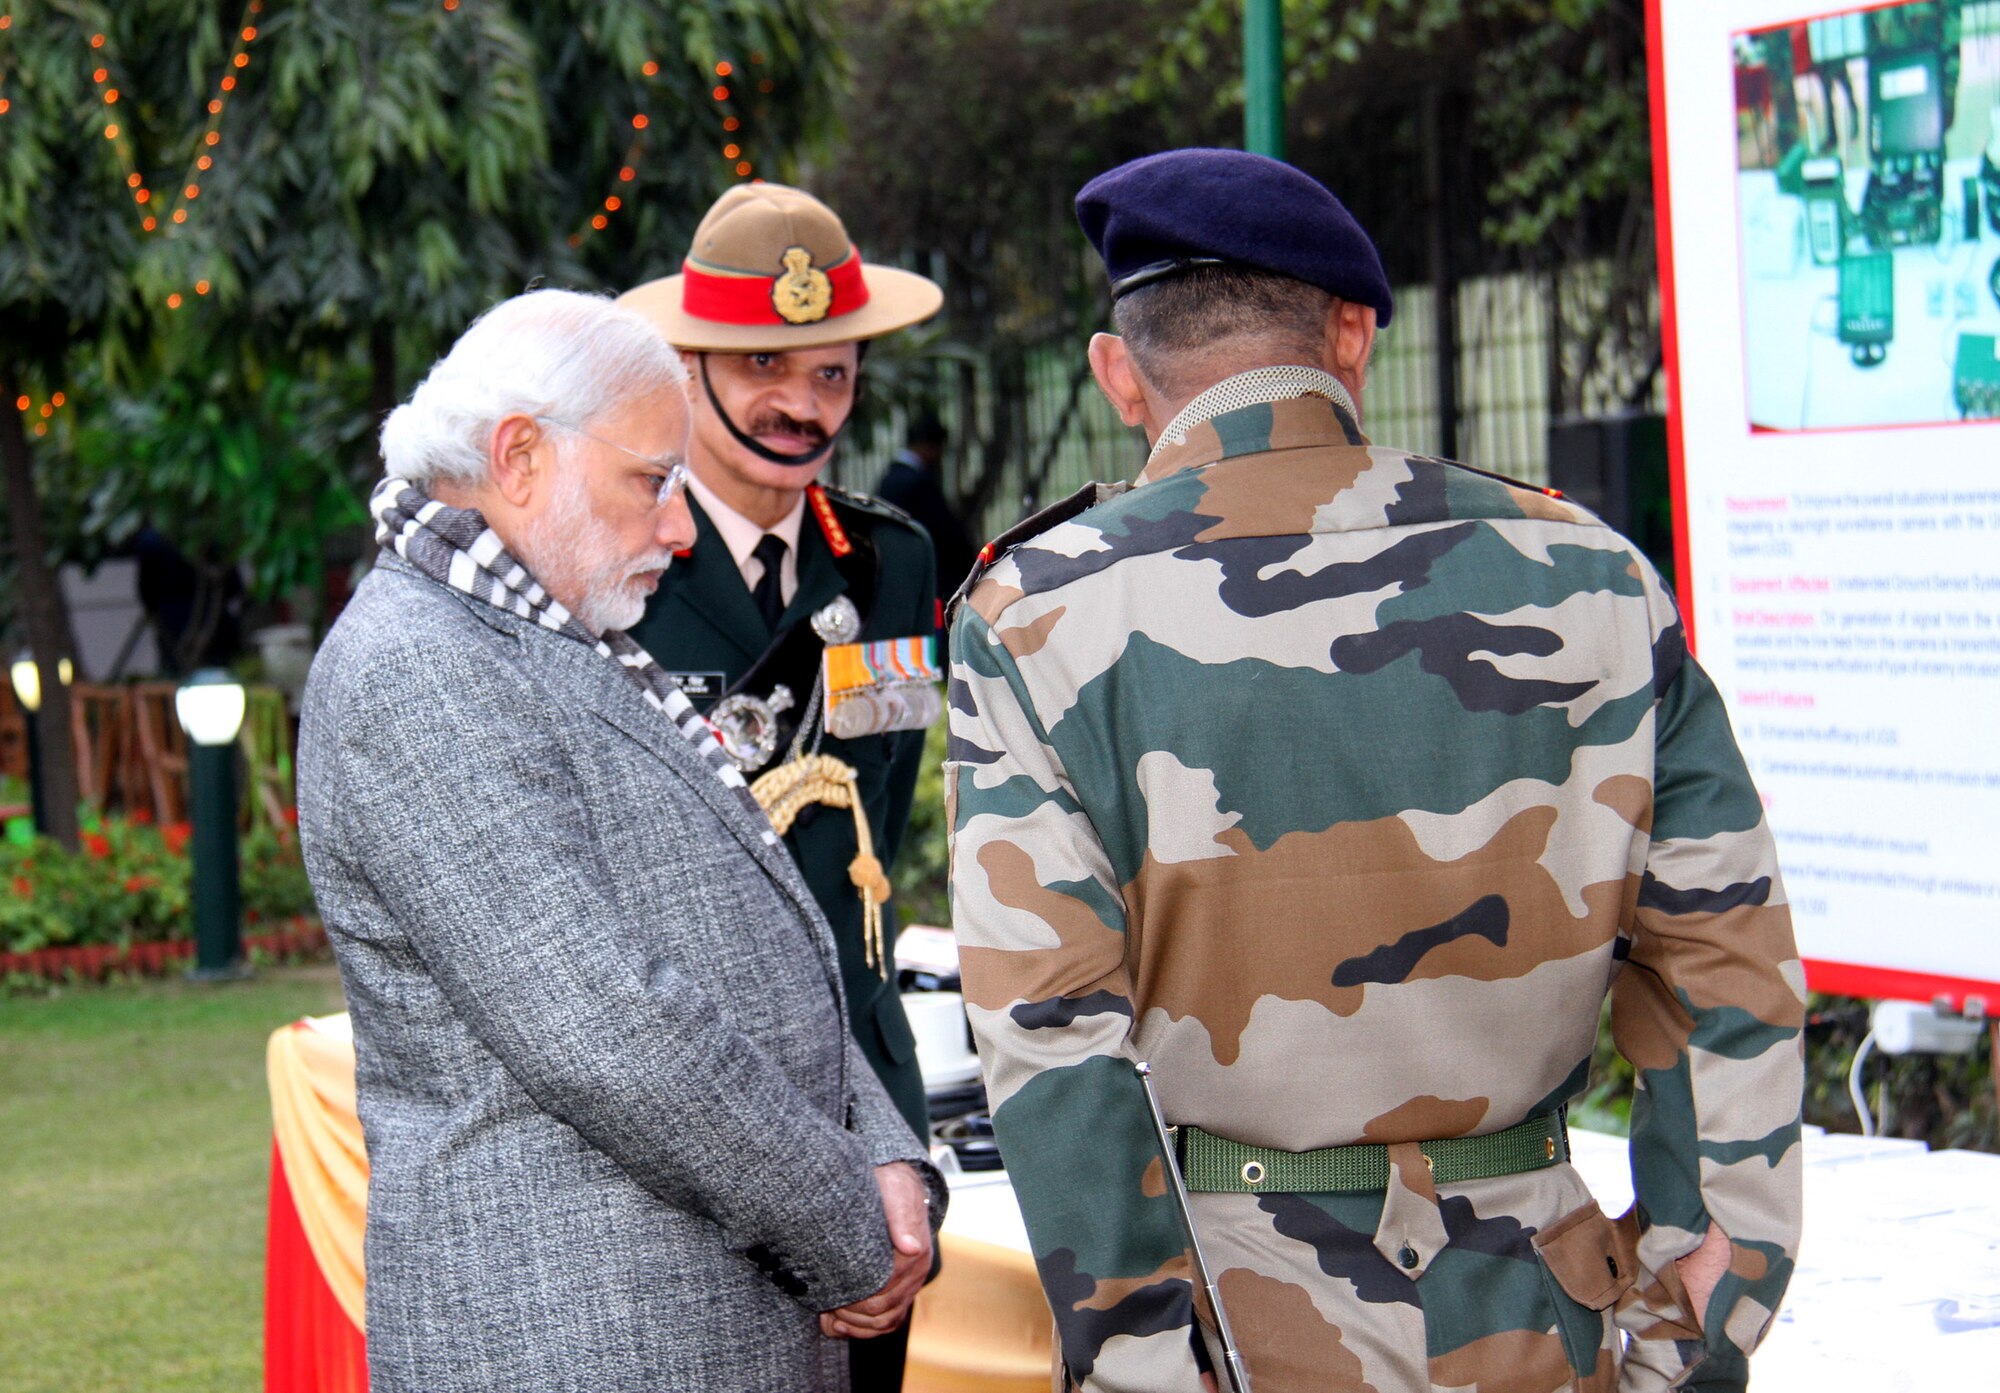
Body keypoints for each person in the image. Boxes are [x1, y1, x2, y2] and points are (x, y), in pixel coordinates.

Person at [945, 149, 1804, 1393]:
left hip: (1238, 1324)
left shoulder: (1039, 614)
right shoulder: (1594, 577)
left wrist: (1146, 1366)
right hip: (1544, 1306)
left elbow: (1047, 1036)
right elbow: (1728, 976)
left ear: (1116, 372)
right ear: (1351, 335)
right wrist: (1684, 1335)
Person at [297, 289, 941, 1393]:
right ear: (520, 456)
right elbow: (607, 1028)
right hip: (586, 1337)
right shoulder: (420, 667)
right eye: (653, 481)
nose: (682, 527)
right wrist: (846, 1223)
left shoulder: (547, 625)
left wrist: (874, 1134)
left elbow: (764, 928)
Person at [618, 184, 948, 1393]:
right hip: (687, 1085)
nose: (800, 407)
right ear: (687, 366)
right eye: (762, 364)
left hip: (858, 1080)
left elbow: (875, 812)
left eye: (832, 376)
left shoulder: (893, 561)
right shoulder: (621, 559)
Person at [876, 414, 978, 617]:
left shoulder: (890, 478)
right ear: (931, 447)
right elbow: (948, 535)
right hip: (929, 584)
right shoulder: (918, 483)